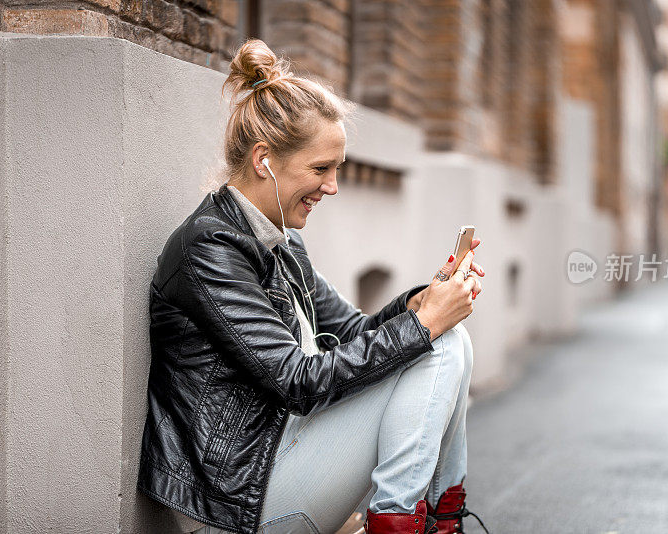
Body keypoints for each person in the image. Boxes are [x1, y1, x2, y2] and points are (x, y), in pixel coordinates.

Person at [137, 38, 488, 534]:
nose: (332, 187)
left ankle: (435, 518)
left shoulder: (280, 240)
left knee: (448, 338)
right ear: (264, 159)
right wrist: (425, 325)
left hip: (284, 457)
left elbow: (354, 331)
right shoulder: (208, 248)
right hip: (238, 505)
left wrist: (423, 302)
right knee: (438, 344)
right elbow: (299, 381)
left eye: (336, 170)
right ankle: (407, 522)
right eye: (320, 169)